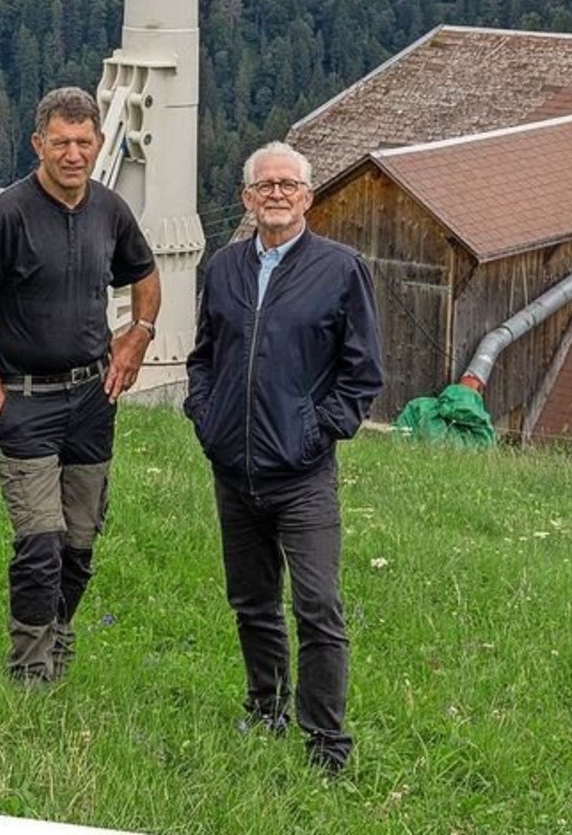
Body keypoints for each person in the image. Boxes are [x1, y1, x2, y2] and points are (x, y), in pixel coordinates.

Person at [0, 85, 161, 685]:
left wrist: (138, 333)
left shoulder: (110, 210)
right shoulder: (7, 215)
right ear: (38, 143)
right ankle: (30, 667)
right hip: (26, 401)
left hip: (92, 399)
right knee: (40, 542)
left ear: (98, 144)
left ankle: (60, 635)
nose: (73, 153)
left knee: (81, 544)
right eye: (60, 142)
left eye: (83, 142)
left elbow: (145, 274)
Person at [185, 140, 383, 774]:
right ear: (246, 198)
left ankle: (327, 742)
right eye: (263, 185)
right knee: (252, 600)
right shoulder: (224, 268)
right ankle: (265, 709)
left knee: (318, 607)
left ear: (308, 197)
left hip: (302, 476)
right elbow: (204, 358)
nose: (275, 194)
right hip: (233, 470)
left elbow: (362, 376)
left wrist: (314, 434)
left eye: (287, 185)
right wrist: (206, 416)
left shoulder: (341, 268)